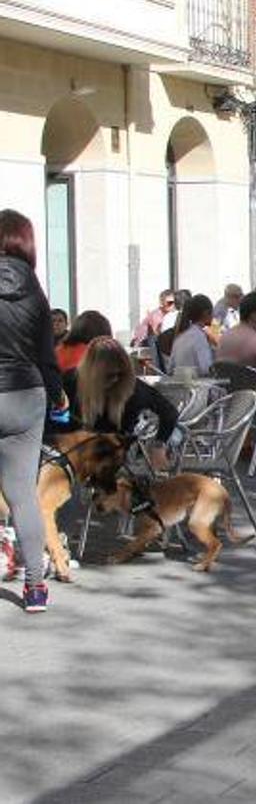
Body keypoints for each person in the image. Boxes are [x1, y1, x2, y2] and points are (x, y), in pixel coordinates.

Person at [0, 209, 67, 612]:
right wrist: (58, 393)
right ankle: (35, 588)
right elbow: (46, 355)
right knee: (23, 493)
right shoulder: (35, 293)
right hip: (26, 393)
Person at [167, 294, 215, 376]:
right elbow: (206, 369)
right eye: (211, 312)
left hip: (179, 385)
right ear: (206, 313)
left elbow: (170, 369)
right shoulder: (199, 338)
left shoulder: (180, 338)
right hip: (197, 386)